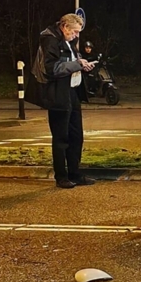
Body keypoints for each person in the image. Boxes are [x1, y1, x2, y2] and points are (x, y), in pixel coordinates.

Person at [35, 13, 95, 189]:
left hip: (72, 91)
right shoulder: (50, 39)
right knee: (61, 137)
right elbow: (51, 68)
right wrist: (77, 65)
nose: (77, 36)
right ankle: (61, 176)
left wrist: (83, 65)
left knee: (76, 135)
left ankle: (75, 173)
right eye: (75, 32)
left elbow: (70, 61)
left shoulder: (68, 40)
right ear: (65, 27)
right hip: (58, 94)